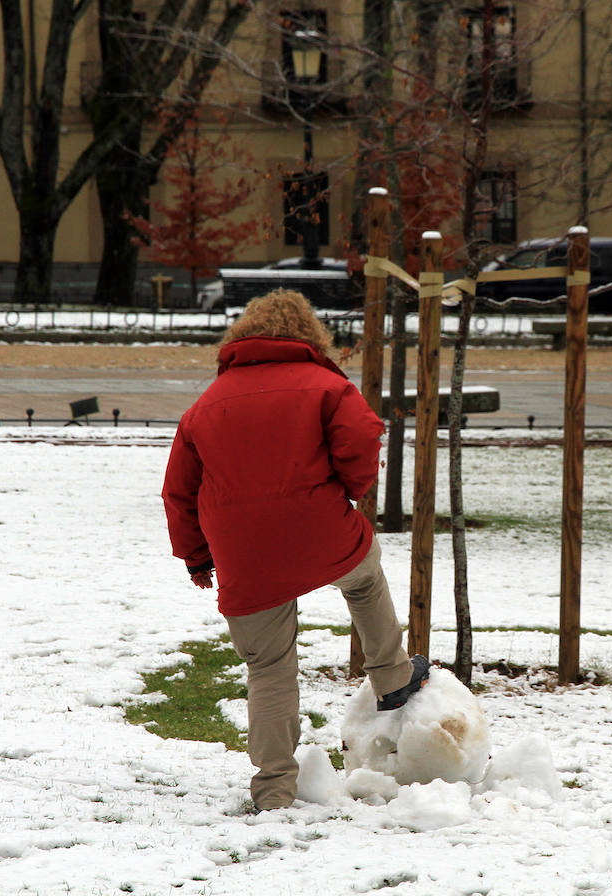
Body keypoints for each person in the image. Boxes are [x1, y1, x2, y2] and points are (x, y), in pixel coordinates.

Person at [162, 289, 429, 811]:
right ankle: (392, 675)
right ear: (310, 335)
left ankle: (273, 788)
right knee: (363, 575)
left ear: (238, 338)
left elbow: (180, 490)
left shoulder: (205, 406)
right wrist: (351, 489)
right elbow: (362, 436)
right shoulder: (327, 386)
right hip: (318, 530)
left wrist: (196, 556)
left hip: (243, 552)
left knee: (268, 667)